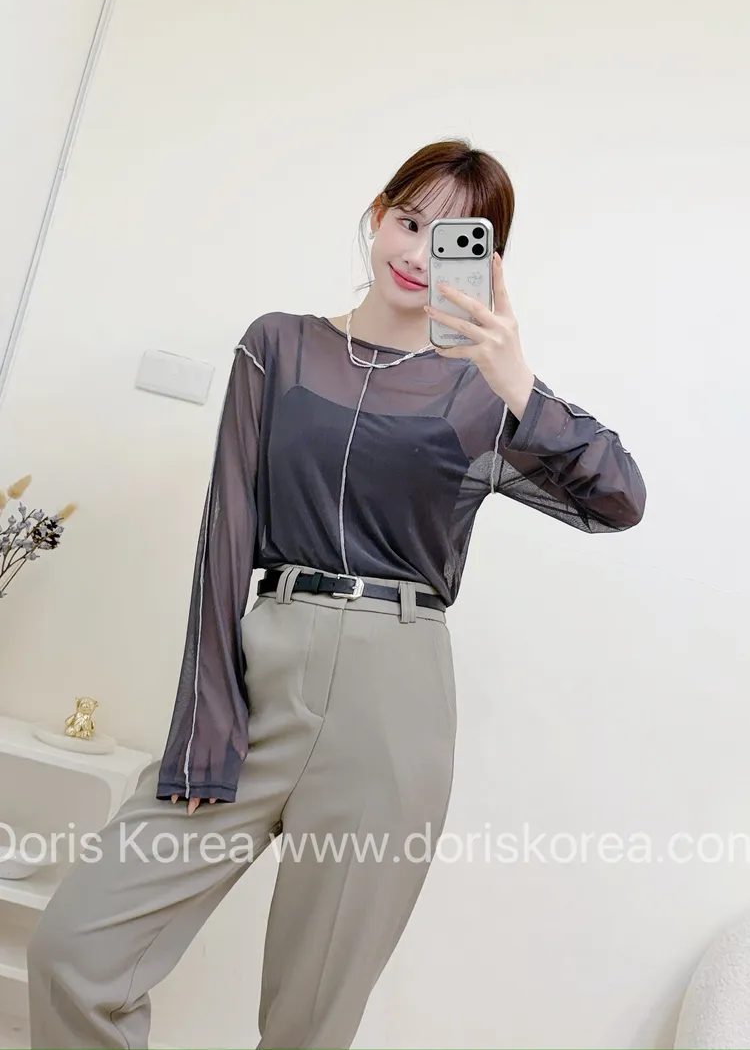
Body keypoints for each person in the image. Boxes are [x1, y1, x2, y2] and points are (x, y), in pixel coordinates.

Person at [26, 138, 646, 1049]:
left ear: (484, 263)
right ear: (377, 214)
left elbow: (618, 499)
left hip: (393, 703)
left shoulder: (482, 393)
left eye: (450, 238)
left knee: (311, 1022)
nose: (417, 251)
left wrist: (515, 376)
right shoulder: (278, 345)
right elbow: (225, 533)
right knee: (74, 949)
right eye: (409, 221)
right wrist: (205, 720)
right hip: (262, 676)